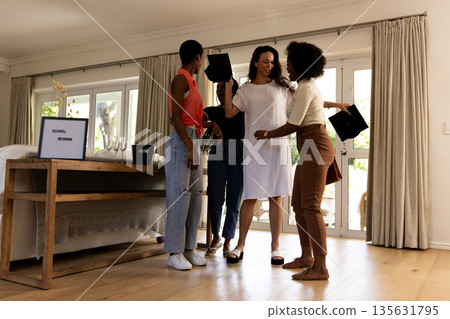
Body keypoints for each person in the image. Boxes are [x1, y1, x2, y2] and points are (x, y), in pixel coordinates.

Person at [254, 41, 350, 280]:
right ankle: (307, 257)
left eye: (290, 64)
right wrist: (336, 104)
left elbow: (294, 124)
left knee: (311, 207)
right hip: (309, 144)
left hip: (314, 144)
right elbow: (316, 106)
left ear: (302, 65)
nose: (287, 69)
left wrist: (267, 133)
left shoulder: (306, 86)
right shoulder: (305, 86)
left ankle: (321, 267)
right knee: (298, 205)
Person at [224, 45, 294, 265]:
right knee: (250, 197)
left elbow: (307, 104)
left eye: (273, 62)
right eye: (265, 61)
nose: (270, 66)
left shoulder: (283, 87)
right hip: (254, 148)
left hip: (278, 146)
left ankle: (275, 247)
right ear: (255, 62)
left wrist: (334, 105)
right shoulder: (245, 89)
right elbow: (228, 113)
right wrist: (228, 88)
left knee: (276, 196)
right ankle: (240, 245)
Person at [164, 39, 222, 271]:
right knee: (180, 196)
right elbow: (176, 117)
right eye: (202, 58)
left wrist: (212, 124)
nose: (202, 63)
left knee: (196, 196)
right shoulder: (180, 79)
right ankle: (174, 252)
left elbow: (192, 118)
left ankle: (189, 249)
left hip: (193, 139)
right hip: (181, 141)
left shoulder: (192, 82)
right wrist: (189, 147)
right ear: (197, 57)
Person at [203, 79, 244, 257]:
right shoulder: (212, 110)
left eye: (222, 87)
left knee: (234, 199)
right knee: (215, 196)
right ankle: (216, 237)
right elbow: (195, 118)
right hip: (217, 151)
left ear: (232, 90)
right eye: (217, 88)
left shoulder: (241, 110)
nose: (218, 91)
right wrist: (211, 124)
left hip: (239, 151)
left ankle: (228, 241)